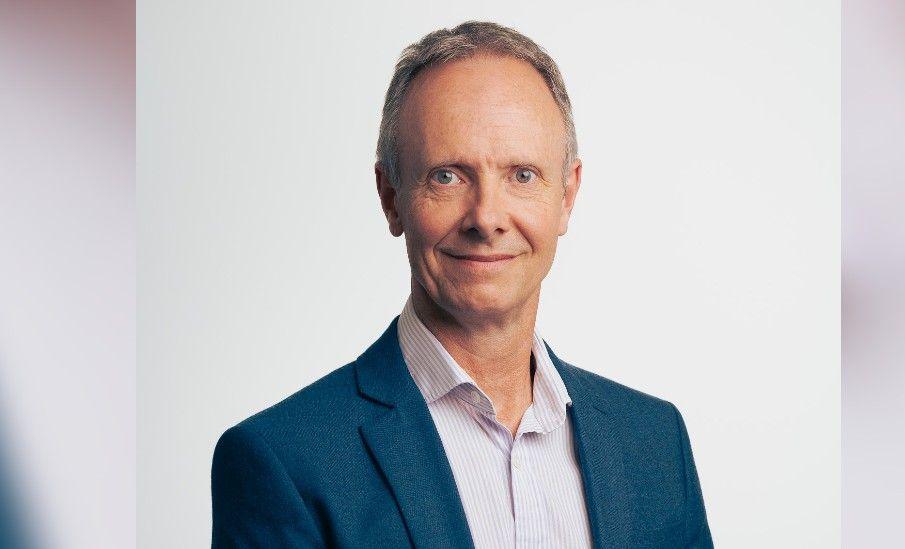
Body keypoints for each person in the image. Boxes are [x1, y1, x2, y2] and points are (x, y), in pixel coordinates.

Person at [211, 21, 712, 548]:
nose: (487, 217)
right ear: (390, 196)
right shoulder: (285, 462)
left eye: (522, 175)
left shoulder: (654, 444)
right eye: (448, 175)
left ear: (567, 197)